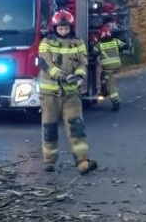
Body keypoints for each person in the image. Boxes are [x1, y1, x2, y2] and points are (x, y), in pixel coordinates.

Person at [37, 10, 98, 174]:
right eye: (60, 28)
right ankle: (49, 161)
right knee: (49, 128)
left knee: (76, 127)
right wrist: (64, 76)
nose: (63, 31)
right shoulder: (46, 43)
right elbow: (46, 64)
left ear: (70, 27)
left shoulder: (78, 42)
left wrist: (78, 75)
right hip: (50, 95)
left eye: (66, 28)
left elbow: (83, 63)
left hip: (71, 95)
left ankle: (82, 161)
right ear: (54, 27)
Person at [93, 24, 128, 111]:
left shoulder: (99, 45)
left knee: (110, 85)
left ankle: (116, 101)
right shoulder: (115, 41)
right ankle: (103, 92)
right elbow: (125, 45)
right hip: (117, 65)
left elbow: (94, 52)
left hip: (108, 68)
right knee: (103, 78)